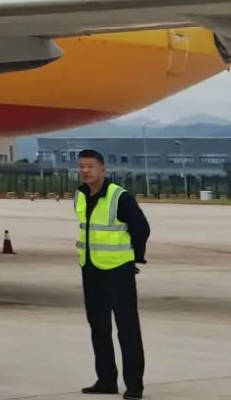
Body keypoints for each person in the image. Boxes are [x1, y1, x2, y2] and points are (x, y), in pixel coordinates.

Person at [75, 148, 148, 398]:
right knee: (98, 328)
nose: (85, 170)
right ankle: (106, 380)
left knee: (127, 329)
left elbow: (141, 228)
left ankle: (134, 385)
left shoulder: (120, 197)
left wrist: (134, 256)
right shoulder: (80, 195)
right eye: (81, 166)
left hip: (118, 271)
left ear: (103, 170)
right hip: (91, 269)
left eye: (90, 166)